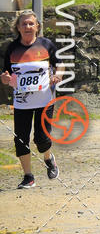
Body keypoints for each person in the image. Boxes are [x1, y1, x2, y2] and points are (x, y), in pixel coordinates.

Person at [1, 10, 61, 188]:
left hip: (44, 100)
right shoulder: (12, 48)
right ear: (18, 27)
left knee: (41, 139)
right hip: (22, 102)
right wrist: (4, 78)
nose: (28, 26)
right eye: (24, 24)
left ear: (37, 26)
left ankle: (49, 159)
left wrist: (58, 76)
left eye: (31, 23)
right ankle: (28, 177)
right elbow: (8, 74)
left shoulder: (46, 45)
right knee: (20, 139)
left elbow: (60, 65)